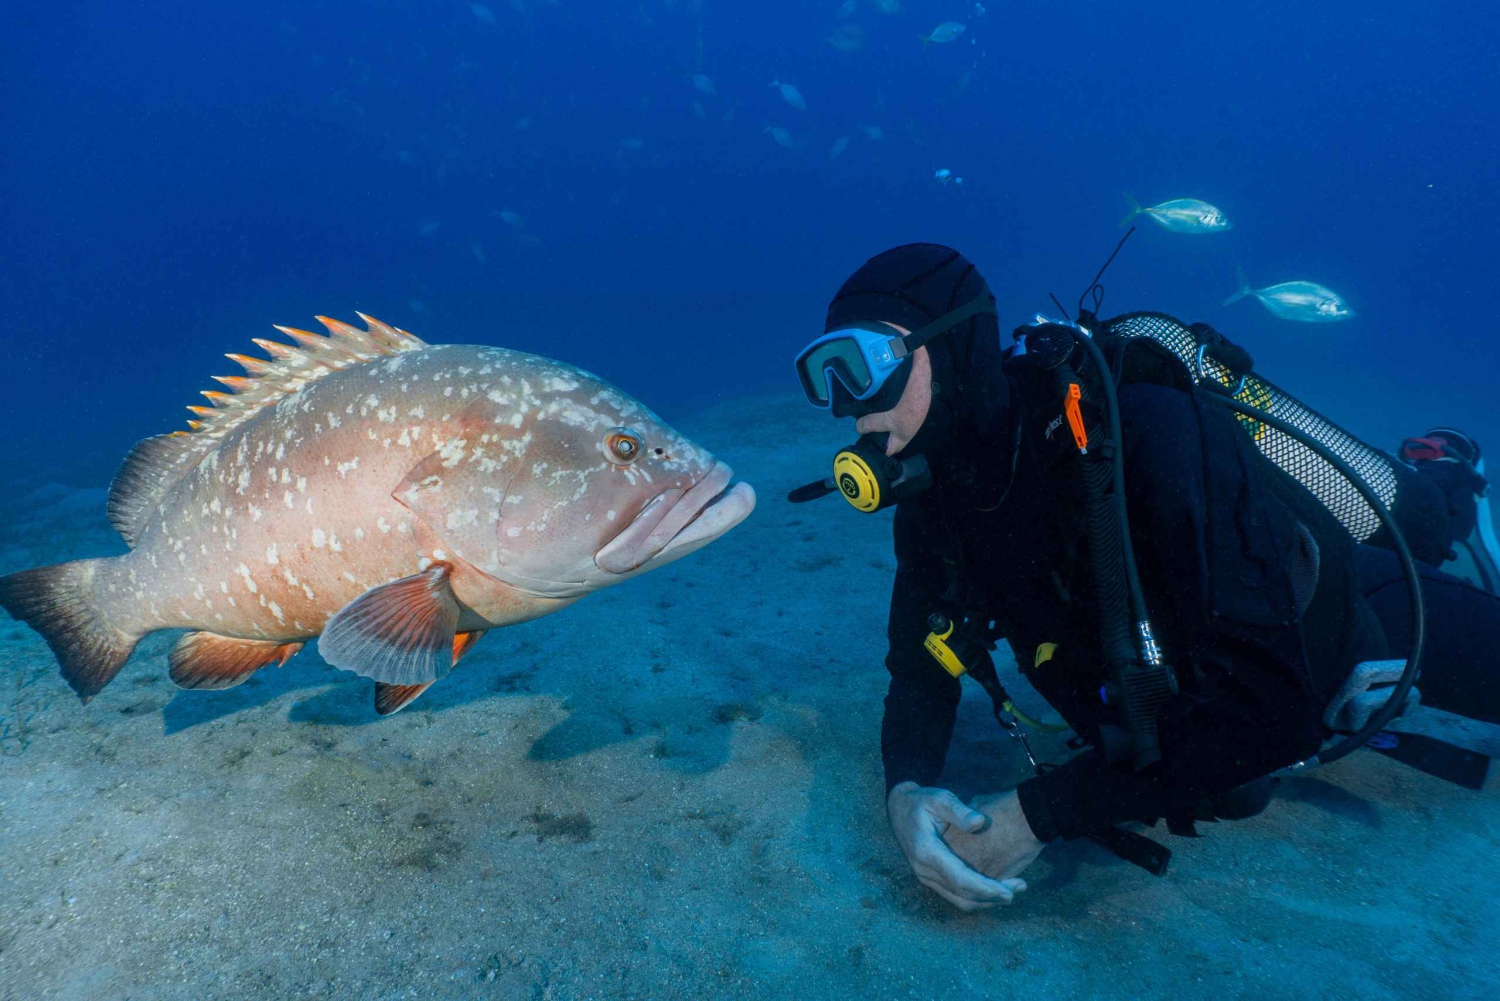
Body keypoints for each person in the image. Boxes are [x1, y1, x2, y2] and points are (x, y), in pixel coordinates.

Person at [791, 243, 1500, 911]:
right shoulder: (937, 499)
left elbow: (1272, 711)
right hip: (1186, 727)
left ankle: (1441, 471)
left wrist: (1039, 815)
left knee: (1430, 530)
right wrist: (905, 791)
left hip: (1355, 618)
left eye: (868, 362)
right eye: (827, 373)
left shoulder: (1142, 431)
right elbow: (918, 672)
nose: (848, 403)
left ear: (953, 347)